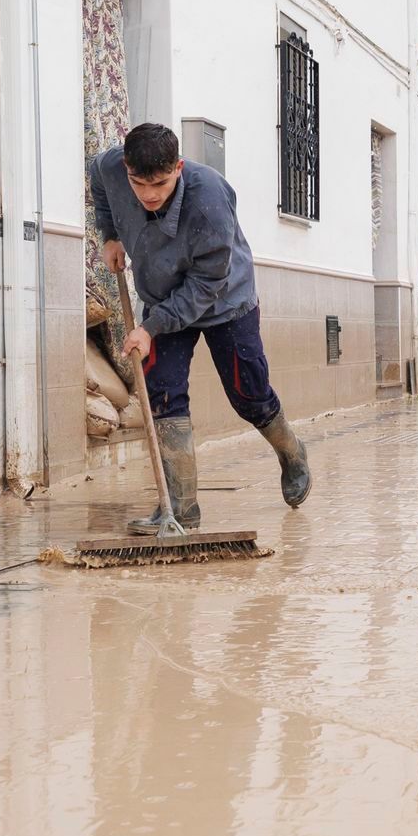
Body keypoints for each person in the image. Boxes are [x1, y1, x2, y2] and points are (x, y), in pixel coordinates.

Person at [89, 123, 310, 534]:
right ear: (127, 168)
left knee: (249, 393)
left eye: (161, 183)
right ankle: (181, 511)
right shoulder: (112, 167)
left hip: (224, 298)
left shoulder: (209, 199)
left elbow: (207, 284)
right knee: (163, 393)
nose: (150, 194)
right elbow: (99, 181)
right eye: (140, 183)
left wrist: (150, 328)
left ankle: (292, 452)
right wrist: (111, 235)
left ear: (179, 167)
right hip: (162, 291)